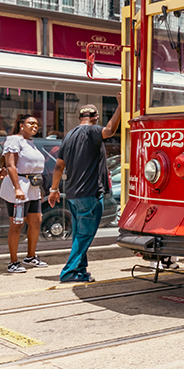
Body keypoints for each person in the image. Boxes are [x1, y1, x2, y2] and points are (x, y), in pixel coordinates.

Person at [48, 98, 122, 282]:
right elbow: (110, 130)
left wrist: (54, 189)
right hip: (89, 193)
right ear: (95, 117)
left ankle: (80, 270)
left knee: (79, 235)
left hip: (73, 194)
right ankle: (69, 272)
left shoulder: (69, 135)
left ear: (80, 117)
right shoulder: (93, 130)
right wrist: (121, 106)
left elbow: (58, 166)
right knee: (84, 235)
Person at [0, 115, 48, 273]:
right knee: (17, 223)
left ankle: (30, 256)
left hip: (32, 189)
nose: (35, 126)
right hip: (19, 187)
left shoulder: (31, 143)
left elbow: (33, 168)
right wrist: (17, 188)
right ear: (21, 125)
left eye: (37, 124)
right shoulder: (15, 140)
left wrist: (38, 189)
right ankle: (13, 262)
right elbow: (11, 166)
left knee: (36, 221)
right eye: (31, 123)